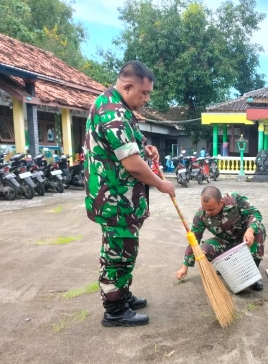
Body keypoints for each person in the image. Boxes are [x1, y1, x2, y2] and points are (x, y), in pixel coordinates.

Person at [84, 60, 175, 328]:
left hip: (121, 200)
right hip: (115, 200)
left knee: (124, 250)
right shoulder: (112, 112)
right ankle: (114, 310)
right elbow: (132, 164)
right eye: (143, 93)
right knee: (118, 253)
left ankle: (121, 295)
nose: (146, 99)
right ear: (127, 86)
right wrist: (160, 183)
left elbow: (131, 147)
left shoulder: (118, 107)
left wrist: (147, 149)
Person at [176, 186, 265, 291]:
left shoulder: (234, 199)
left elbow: (255, 213)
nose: (208, 212)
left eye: (211, 209)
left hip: (245, 240)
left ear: (221, 203)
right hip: (227, 242)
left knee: (258, 229)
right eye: (205, 208)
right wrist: (184, 266)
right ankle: (226, 267)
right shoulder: (200, 215)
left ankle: (252, 274)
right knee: (203, 251)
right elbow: (194, 241)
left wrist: (250, 230)